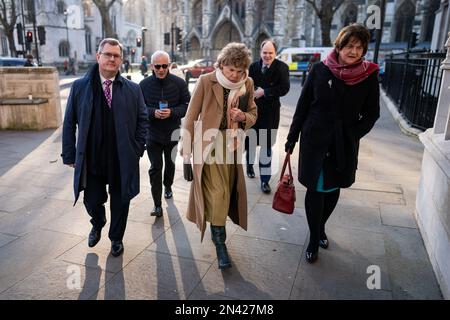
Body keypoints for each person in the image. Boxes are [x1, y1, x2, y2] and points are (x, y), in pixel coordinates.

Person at [285, 23, 380, 263]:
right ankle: (314, 238)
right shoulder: (319, 69)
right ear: (339, 46)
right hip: (314, 140)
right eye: (350, 46)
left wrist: (353, 134)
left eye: (359, 47)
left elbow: (372, 114)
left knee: (333, 187)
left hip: (343, 142)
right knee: (316, 189)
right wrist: (291, 138)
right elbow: (303, 106)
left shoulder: (368, 75)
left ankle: (321, 227)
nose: (354, 51)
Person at [61, 38, 148, 257]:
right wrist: (69, 153)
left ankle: (116, 238)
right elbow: (70, 121)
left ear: (121, 60)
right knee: (91, 199)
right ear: (98, 56)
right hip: (92, 158)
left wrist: (137, 148)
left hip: (122, 157)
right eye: (107, 54)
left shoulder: (132, 89)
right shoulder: (80, 87)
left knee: (121, 201)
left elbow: (143, 120)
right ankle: (98, 221)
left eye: (116, 55)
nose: (111, 59)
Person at [181, 42, 257, 269]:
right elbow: (190, 116)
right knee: (218, 193)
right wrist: (186, 154)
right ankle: (220, 243)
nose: (234, 75)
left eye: (239, 71)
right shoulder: (206, 81)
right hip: (208, 146)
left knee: (228, 191)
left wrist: (243, 116)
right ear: (221, 65)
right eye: (230, 69)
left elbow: (253, 113)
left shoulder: (248, 83)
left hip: (232, 145)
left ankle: (219, 235)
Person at [139, 51, 190, 217]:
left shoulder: (179, 83)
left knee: (170, 164)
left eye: (164, 66)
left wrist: (172, 112)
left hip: (172, 133)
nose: (161, 70)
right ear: (152, 66)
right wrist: (153, 112)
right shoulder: (144, 84)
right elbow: (138, 109)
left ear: (169, 65)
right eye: (157, 66)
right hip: (152, 134)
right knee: (155, 168)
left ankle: (168, 185)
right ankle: (157, 204)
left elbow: (186, 106)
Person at [245, 39, 290, 194]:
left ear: (275, 53)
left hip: (270, 114)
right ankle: (249, 166)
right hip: (252, 112)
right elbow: (247, 85)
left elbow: (284, 88)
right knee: (250, 143)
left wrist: (265, 92)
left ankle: (265, 180)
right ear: (260, 52)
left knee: (266, 148)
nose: (267, 56)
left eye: (270, 53)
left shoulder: (282, 68)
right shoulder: (253, 67)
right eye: (265, 52)